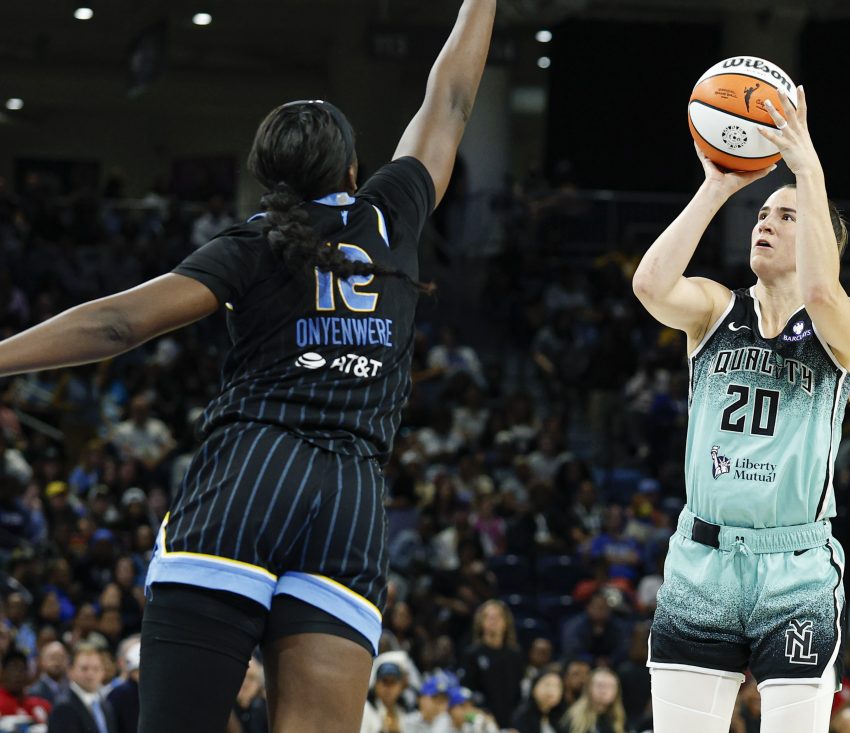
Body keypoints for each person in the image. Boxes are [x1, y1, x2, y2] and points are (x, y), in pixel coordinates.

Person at [0, 1, 495, 732]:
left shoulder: (252, 243)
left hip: (248, 479)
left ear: (268, 180)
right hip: (347, 501)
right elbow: (449, 97)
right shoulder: (392, 214)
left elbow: (116, 322)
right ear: (355, 169)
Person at [633, 85, 850, 733]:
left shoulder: (842, 325)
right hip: (702, 559)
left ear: (823, 239)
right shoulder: (714, 308)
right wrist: (715, 186)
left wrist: (807, 168)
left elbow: (821, 290)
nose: (765, 220)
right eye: (763, 212)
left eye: (787, 216)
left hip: (795, 567)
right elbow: (650, 285)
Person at [459, 600, 524, 726]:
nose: (492, 620)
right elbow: (466, 692)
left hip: (512, 722)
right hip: (482, 721)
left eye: (497, 616)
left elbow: (519, 693)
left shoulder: (515, 655)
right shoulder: (471, 654)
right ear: (480, 622)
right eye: (487, 616)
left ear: (506, 622)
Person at [48, 643, 119, 733]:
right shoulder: (64, 706)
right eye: (84, 668)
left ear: (103, 672)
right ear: (70, 671)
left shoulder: (106, 706)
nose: (90, 674)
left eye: (96, 668)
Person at [557, 667, 626, 733]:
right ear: (589, 688)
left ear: (617, 692)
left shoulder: (619, 719)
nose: (604, 690)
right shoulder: (573, 718)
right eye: (599, 685)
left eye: (610, 686)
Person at [0, 649, 51, 724]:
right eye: (12, 669)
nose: (17, 674)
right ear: (2, 673)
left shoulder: (39, 704)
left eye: (21, 669)